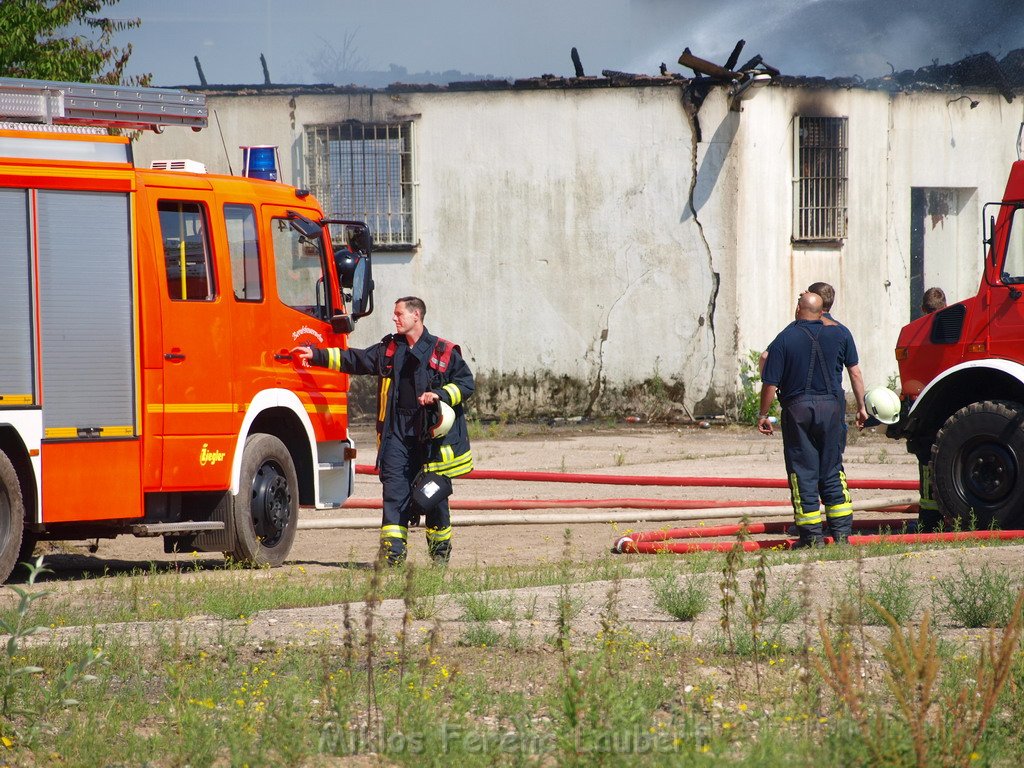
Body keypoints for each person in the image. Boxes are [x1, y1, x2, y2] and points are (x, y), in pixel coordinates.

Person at [291, 296, 474, 565]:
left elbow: (466, 384)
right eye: (395, 314)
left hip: (432, 441)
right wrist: (315, 355)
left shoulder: (443, 352)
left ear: (416, 317)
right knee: (394, 496)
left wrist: (440, 396)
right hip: (398, 438)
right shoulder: (391, 349)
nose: (394, 318)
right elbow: (356, 359)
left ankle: (440, 559)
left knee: (434, 500)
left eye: (399, 314)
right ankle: (393, 558)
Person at [758, 292, 868, 547]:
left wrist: (764, 414)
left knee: (804, 472)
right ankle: (841, 535)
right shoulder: (840, 334)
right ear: (822, 312)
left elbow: (770, 382)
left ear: (798, 309)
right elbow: (854, 370)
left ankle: (811, 538)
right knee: (831, 469)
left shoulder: (785, 338)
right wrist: (862, 407)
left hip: (798, 411)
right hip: (832, 409)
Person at [916, 286, 948, 531]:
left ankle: (930, 520)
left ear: (922, 310)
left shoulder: (916, 335)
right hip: (952, 409)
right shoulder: (958, 329)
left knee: (927, 463)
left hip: (927, 410)